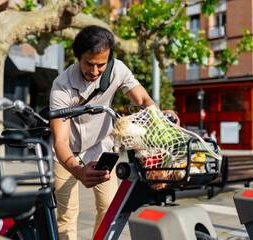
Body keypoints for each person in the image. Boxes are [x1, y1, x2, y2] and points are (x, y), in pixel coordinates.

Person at [49, 25, 178, 240]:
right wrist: (78, 171)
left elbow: (142, 100)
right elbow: (60, 142)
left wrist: (158, 116)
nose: (94, 71)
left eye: (101, 64)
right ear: (78, 57)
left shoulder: (117, 69)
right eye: (88, 63)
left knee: (110, 209)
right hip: (66, 156)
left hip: (99, 149)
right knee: (67, 215)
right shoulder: (61, 86)